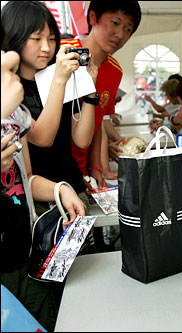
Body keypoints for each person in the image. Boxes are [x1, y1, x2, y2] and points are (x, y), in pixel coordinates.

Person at [1, 48, 86, 332]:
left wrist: (61, 190)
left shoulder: (16, 117)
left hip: (23, 257)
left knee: (47, 320)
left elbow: (25, 179)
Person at [2, 1, 97, 209]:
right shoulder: (10, 89)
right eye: (36, 39)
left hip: (71, 187)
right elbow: (42, 138)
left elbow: (82, 139)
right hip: (37, 198)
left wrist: (90, 90)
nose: (46, 47)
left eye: (52, 39)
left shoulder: (56, 76)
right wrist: (60, 80)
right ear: (13, 36)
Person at [61, 0, 141, 189]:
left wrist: (95, 167)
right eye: (115, 23)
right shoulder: (62, 52)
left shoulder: (114, 72)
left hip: (81, 173)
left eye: (128, 29)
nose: (120, 34)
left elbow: (98, 122)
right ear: (93, 17)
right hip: (50, 171)